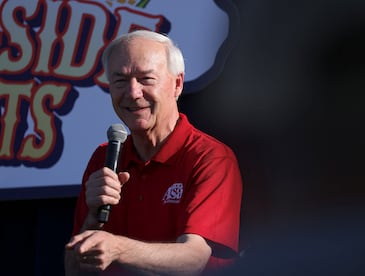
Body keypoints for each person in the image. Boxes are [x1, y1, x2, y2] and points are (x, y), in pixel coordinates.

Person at [64, 30, 243, 275]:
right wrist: (93, 220)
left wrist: (117, 248)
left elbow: (194, 260)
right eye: (120, 81)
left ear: (177, 84)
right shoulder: (104, 158)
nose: (132, 92)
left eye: (146, 79)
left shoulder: (209, 158)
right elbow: (75, 271)